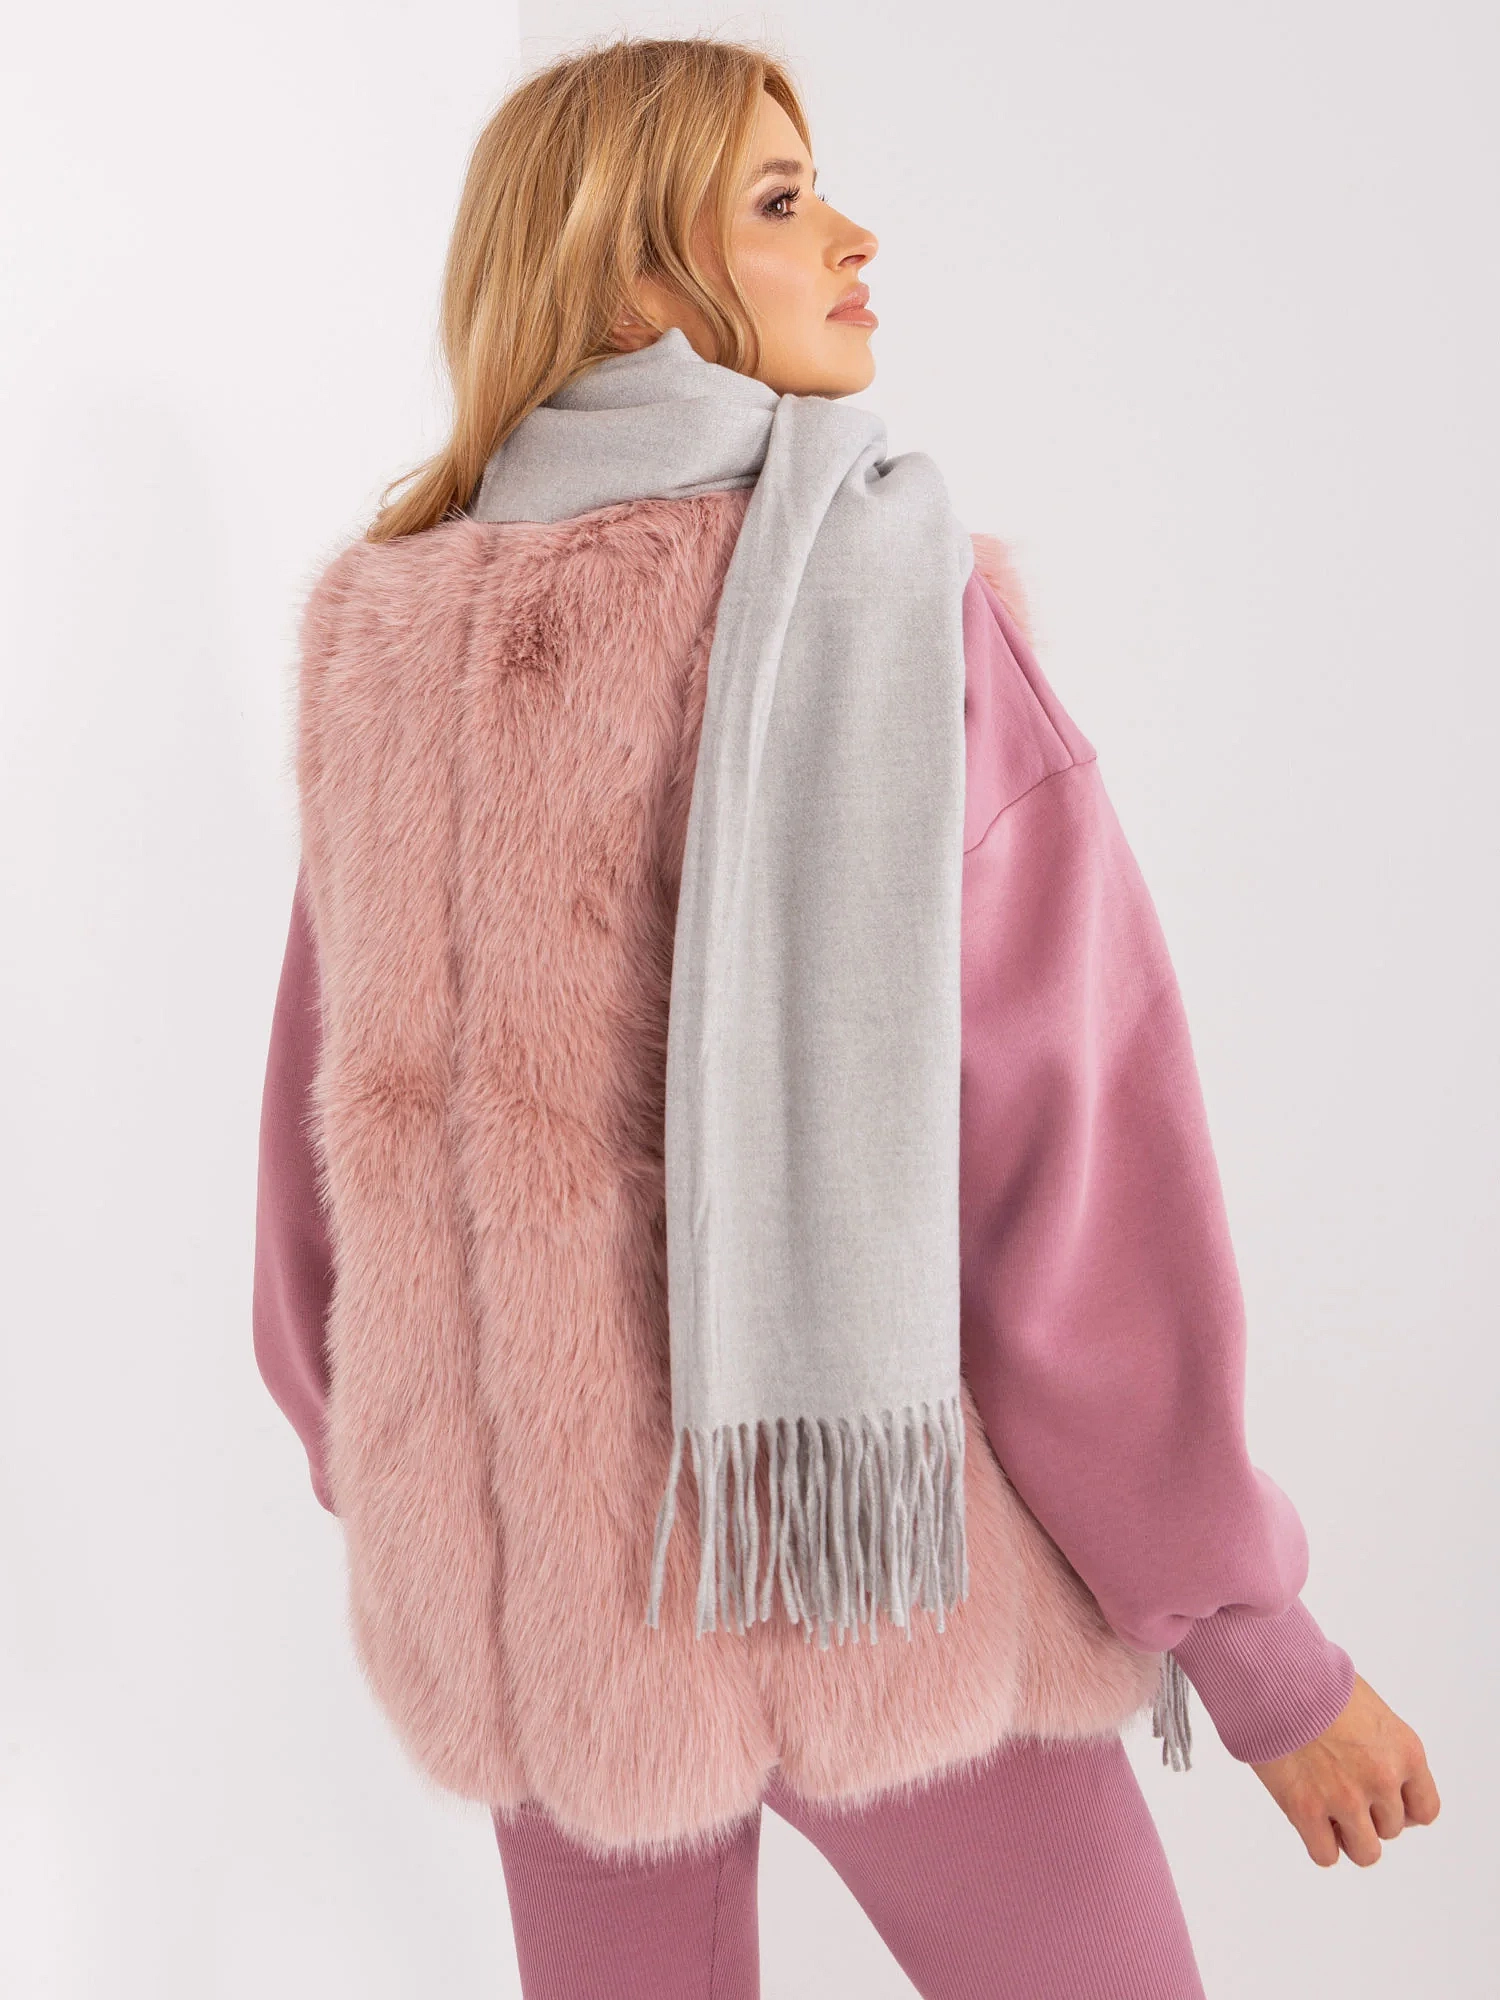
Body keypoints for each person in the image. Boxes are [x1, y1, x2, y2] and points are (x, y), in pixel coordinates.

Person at [253, 35, 1439, 1999]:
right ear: (633, 281)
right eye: (785, 201)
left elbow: (334, 1172)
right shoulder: (892, 597)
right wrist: (1259, 1648)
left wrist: (431, 1492)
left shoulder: (398, 643)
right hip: (882, 1577)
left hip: (554, 1621)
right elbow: (1071, 1171)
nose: (856, 238)